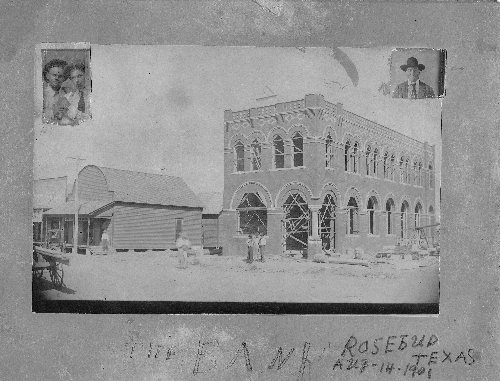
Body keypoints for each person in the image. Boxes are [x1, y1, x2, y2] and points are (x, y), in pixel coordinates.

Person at [42, 59, 67, 123]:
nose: (57, 78)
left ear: (64, 78)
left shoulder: (67, 95)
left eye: (60, 76)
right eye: (54, 75)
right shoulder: (42, 94)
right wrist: (53, 112)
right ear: (47, 76)